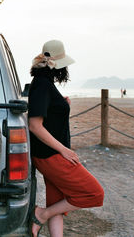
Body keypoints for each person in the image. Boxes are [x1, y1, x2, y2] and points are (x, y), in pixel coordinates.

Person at [28, 40, 104, 237]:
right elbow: (34, 125)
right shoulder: (43, 84)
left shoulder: (44, 83)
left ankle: (46, 218)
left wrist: (62, 105)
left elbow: (47, 115)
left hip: (49, 154)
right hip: (52, 155)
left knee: (57, 203)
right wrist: (64, 150)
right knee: (94, 194)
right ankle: (41, 214)